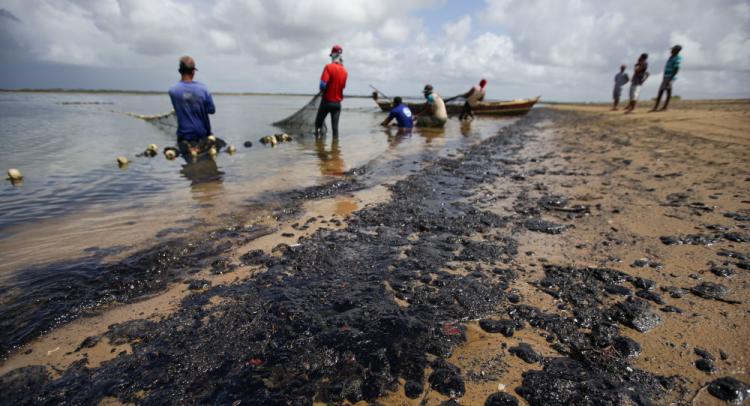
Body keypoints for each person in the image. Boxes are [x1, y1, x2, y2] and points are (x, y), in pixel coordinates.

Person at [168, 56, 216, 155]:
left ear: (179, 71)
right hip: (203, 136)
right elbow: (212, 110)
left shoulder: (172, 90)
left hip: (184, 137)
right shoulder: (203, 89)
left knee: (187, 166)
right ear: (193, 71)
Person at [315, 45, 349, 137]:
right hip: (337, 104)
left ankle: (318, 146)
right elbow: (343, 86)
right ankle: (335, 149)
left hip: (327, 102)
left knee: (318, 123)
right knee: (335, 128)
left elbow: (322, 85)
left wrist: (323, 90)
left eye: (331, 55)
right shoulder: (345, 71)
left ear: (333, 55)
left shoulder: (328, 67)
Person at [651, 45, 683, 112]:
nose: (671, 51)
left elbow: (677, 69)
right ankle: (660, 107)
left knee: (664, 92)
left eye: (673, 49)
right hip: (666, 76)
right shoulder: (671, 57)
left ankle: (663, 107)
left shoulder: (678, 58)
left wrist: (671, 79)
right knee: (663, 91)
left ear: (676, 51)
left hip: (669, 77)